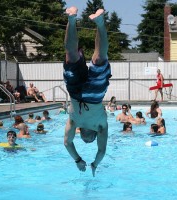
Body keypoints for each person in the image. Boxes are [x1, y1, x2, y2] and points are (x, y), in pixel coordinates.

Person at [63, 7, 111, 177]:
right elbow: (68, 143)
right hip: (89, 95)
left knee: (86, 57)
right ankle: (91, 22)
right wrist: (87, 163)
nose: (86, 140)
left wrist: (85, 161)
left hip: (83, 93)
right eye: (87, 141)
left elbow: (69, 142)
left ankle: (76, 20)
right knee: (89, 57)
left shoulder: (77, 123)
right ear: (91, 136)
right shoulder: (99, 127)